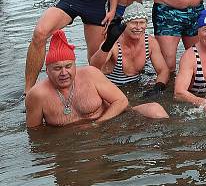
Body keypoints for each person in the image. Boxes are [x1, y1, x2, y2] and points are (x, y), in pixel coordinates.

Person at [26, 30, 168, 128]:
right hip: (74, 143)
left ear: (75, 65)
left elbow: (122, 101)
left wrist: (98, 124)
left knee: (155, 110)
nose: (64, 72)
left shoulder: (90, 74)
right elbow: (35, 133)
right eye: (57, 68)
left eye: (68, 66)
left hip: (110, 122)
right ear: (47, 70)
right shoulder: (37, 95)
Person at [89, 2, 170, 91]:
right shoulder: (113, 42)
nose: (138, 27)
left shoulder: (150, 42)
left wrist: (158, 88)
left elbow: (163, 71)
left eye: (142, 22)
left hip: (135, 85)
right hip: (111, 87)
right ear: (125, 24)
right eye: (134, 23)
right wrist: (108, 43)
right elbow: (93, 67)